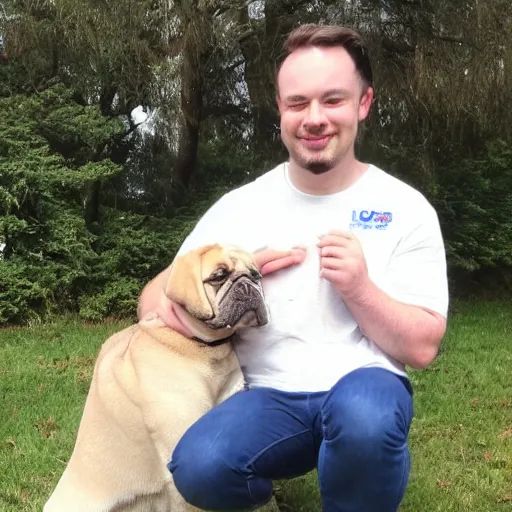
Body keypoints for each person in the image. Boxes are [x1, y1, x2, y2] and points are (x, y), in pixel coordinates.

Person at [138, 23, 449, 512]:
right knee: (198, 466)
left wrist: (360, 288)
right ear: (281, 110)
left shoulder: (405, 207)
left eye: (333, 100)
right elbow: (152, 302)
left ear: (363, 104)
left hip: (362, 384)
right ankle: (266, 500)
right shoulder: (241, 207)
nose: (315, 118)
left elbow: (424, 346)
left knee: (365, 420)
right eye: (298, 103)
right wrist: (238, 274)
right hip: (269, 398)